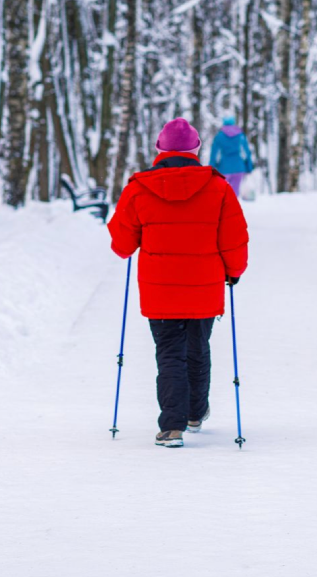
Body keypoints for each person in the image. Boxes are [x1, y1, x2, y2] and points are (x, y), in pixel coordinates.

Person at [107, 118, 249, 448]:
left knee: (170, 352)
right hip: (205, 286)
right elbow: (234, 239)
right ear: (196, 151)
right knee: (198, 348)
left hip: (160, 290)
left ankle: (171, 427)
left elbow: (122, 244)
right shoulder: (219, 188)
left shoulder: (138, 188)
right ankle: (195, 413)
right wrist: (234, 271)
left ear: (159, 150)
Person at [210, 116, 255, 197]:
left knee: (224, 193)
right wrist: (249, 167)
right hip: (239, 167)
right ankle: (233, 208)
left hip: (224, 168)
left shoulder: (219, 136)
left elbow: (214, 154)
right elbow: (246, 152)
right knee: (234, 195)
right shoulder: (240, 135)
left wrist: (212, 168)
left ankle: (224, 208)